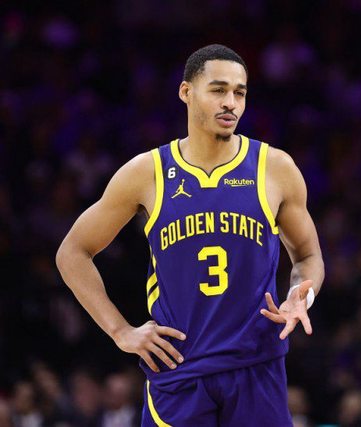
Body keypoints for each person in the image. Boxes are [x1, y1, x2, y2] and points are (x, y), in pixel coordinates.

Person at [56, 44, 324, 426]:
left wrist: (302, 294)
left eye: (240, 93)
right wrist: (120, 331)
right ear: (186, 92)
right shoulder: (147, 172)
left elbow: (308, 256)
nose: (230, 102)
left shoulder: (275, 168)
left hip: (256, 365)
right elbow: (72, 252)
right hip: (178, 370)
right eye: (218, 90)